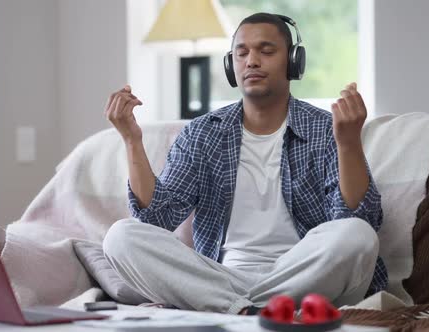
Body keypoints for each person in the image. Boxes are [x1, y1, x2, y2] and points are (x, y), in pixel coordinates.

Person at [102, 12, 387, 315]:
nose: (251, 61)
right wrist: (132, 140)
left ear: (293, 61)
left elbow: (356, 219)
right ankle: (250, 310)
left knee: (358, 235)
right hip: (222, 277)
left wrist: (349, 143)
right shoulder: (203, 132)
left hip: (302, 274)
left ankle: (236, 308)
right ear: (230, 65)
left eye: (266, 51)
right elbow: (157, 219)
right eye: (241, 52)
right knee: (120, 237)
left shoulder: (325, 128)